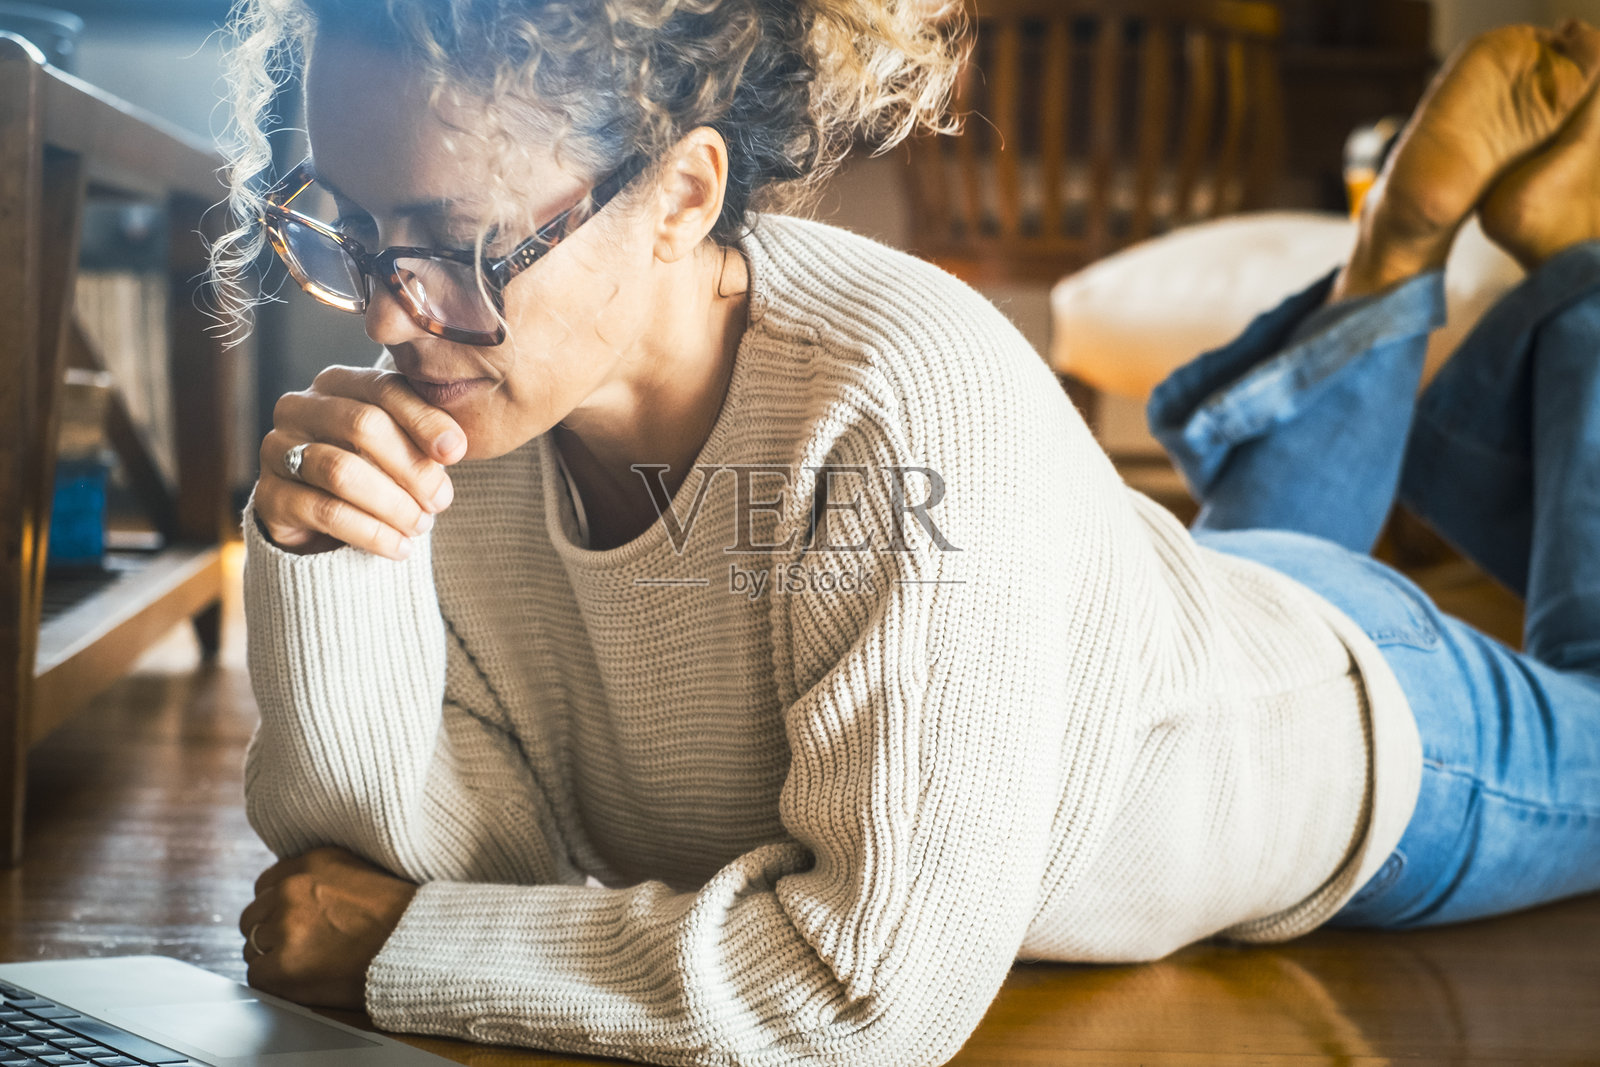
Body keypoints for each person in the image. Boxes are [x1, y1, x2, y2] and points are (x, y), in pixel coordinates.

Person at [221, 0, 1600, 1061]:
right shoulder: (481, 406)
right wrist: (334, 560)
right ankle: (1393, 263)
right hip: (1133, 635)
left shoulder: (901, 402)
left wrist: (403, 952)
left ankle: (1586, 280)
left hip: (1336, 726)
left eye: (459, 248)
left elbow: (865, 994)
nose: (396, 315)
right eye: (356, 233)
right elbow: (426, 881)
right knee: (1207, 589)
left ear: (684, 196)